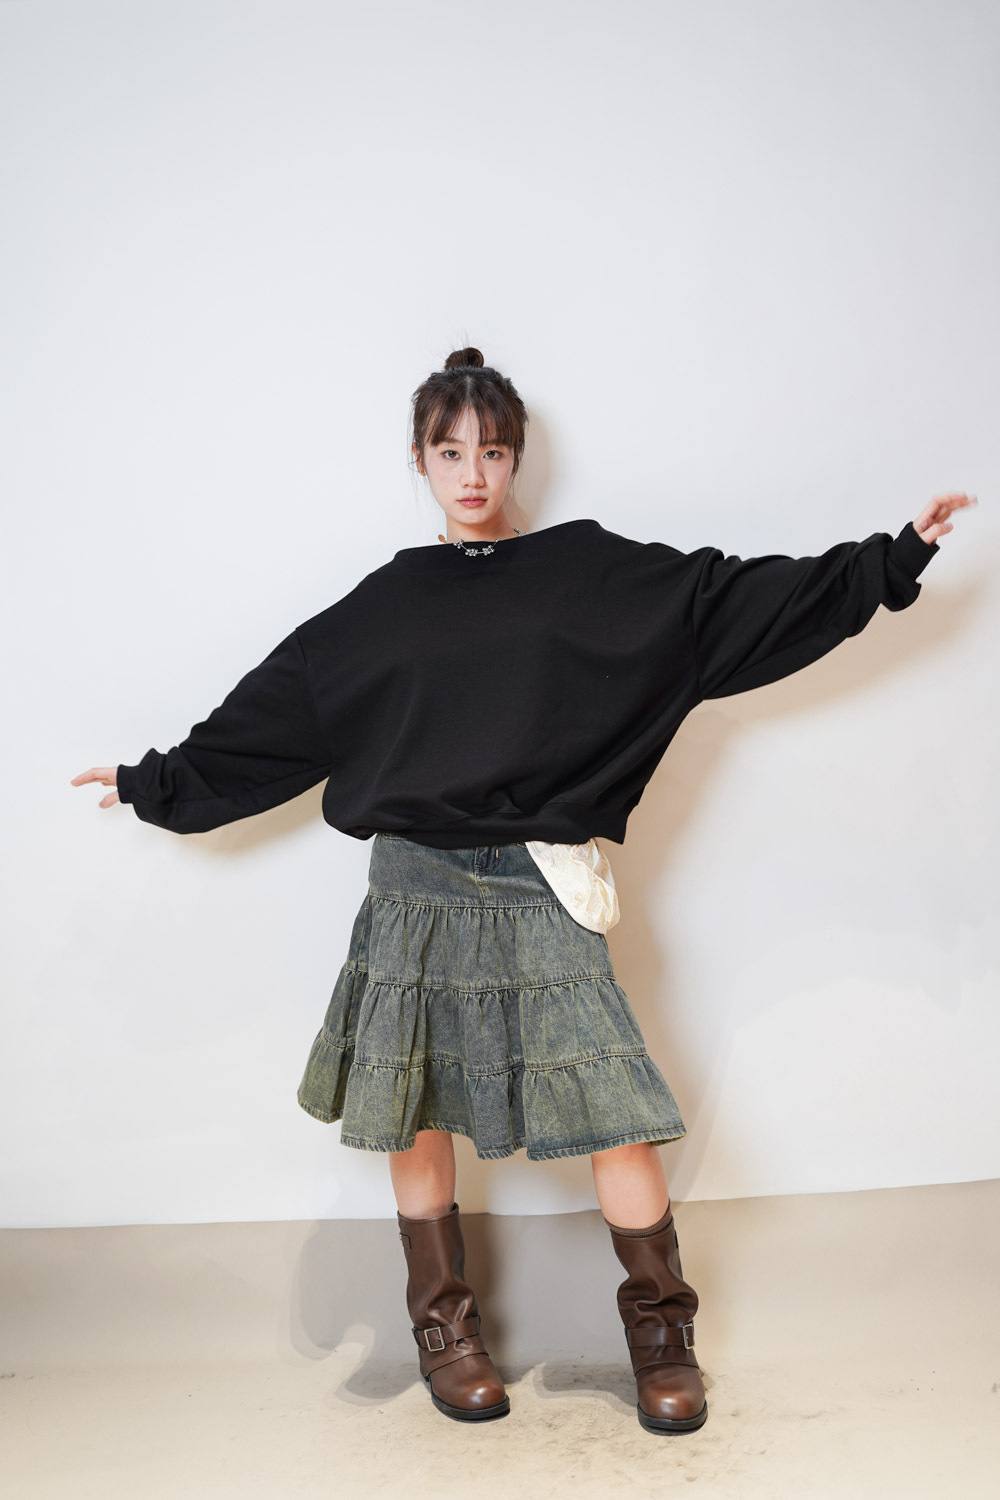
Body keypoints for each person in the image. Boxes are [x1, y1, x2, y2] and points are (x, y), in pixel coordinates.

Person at [72, 347, 975, 1436]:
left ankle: (662, 1335)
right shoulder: (379, 608)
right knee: (414, 1109)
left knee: (615, 1115)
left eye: (491, 451)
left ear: (514, 459)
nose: (472, 473)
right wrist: (153, 782)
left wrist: (890, 559)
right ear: (420, 459)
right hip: (413, 887)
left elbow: (724, 605)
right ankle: (446, 1334)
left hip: (541, 881)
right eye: (449, 451)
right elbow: (271, 721)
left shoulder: (584, 573)